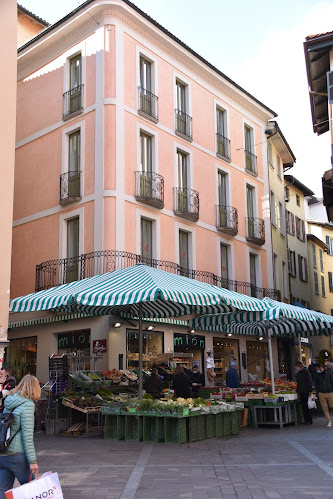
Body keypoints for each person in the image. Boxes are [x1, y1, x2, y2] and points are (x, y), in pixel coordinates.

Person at [0, 375, 41, 498]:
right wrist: (32, 461)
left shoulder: (9, 401)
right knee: (33, 489)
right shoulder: (28, 405)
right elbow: (27, 436)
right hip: (16, 453)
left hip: (3, 452)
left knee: (3, 490)